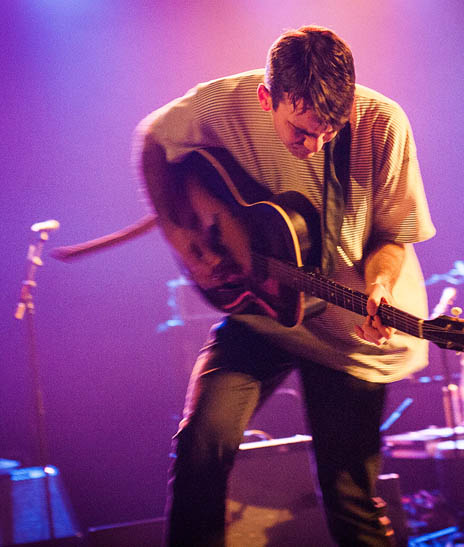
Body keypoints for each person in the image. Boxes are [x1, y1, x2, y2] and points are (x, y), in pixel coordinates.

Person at [136, 25, 435, 546]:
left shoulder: (384, 124)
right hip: (262, 312)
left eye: (330, 130)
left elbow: (394, 235)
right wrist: (184, 237)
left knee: (348, 498)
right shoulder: (219, 104)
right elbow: (153, 141)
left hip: (351, 332)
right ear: (265, 98)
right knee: (199, 448)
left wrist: (380, 286)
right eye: (300, 130)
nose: (314, 144)